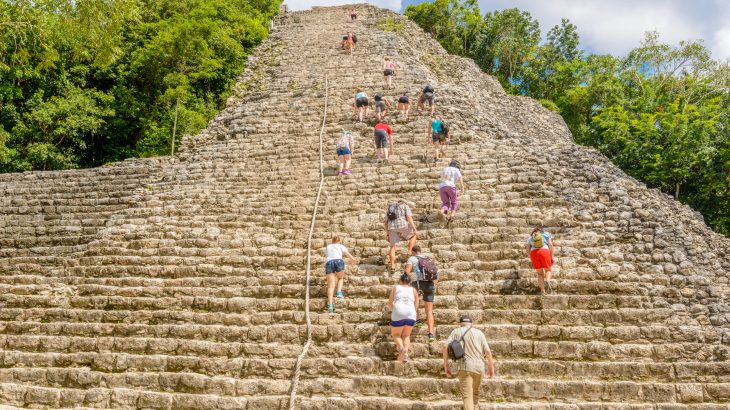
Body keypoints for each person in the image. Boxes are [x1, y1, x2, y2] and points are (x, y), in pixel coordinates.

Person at [442, 315, 495, 410]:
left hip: (465, 367)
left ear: (460, 324)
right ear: (471, 324)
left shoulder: (456, 331)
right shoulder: (479, 333)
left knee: (467, 397)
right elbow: (487, 352)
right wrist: (491, 366)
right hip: (479, 368)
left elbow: (445, 347)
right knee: (475, 395)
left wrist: (446, 366)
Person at [405, 245, 437, 343]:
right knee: (429, 311)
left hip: (417, 283)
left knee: (415, 301)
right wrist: (434, 285)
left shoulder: (412, 258)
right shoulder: (428, 259)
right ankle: (431, 334)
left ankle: (418, 320)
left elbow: (407, 272)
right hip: (430, 284)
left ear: (413, 251)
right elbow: (435, 274)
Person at [388, 273, 419, 363]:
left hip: (399, 311)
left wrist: (392, 309)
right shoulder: (413, 290)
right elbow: (416, 304)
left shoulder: (396, 288)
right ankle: (405, 354)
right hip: (411, 313)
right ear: (410, 282)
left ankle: (401, 349)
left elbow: (390, 303)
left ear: (400, 281)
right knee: (406, 335)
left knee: (396, 334)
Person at [384, 199, 417, 273]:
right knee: (413, 236)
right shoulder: (405, 206)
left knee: (393, 246)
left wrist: (387, 233)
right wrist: (414, 227)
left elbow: (385, 223)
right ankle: (409, 252)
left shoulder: (390, 208)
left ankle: (392, 266)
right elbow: (409, 217)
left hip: (392, 227)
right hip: (403, 225)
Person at [324, 235, 356, 313]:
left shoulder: (328, 247)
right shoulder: (341, 246)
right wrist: (352, 262)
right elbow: (350, 257)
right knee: (340, 278)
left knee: (331, 286)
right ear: (339, 241)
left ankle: (330, 305)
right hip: (338, 261)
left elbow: (327, 255)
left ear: (332, 241)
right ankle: (338, 292)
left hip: (329, 263)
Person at [525, 227, 555, 294]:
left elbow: (527, 250)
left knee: (540, 273)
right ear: (541, 231)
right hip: (544, 251)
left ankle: (542, 290)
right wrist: (552, 256)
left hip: (534, 254)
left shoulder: (530, 237)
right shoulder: (546, 234)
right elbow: (551, 245)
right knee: (548, 270)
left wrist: (531, 258)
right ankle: (547, 281)